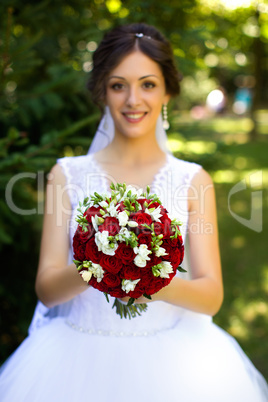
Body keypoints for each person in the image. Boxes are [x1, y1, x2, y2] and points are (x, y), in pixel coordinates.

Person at [0, 23, 267, 402]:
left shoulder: (193, 181)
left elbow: (211, 295)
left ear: (167, 91)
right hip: (75, 361)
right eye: (117, 85)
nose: (132, 100)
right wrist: (97, 263)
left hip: (175, 365)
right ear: (102, 92)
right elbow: (46, 289)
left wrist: (146, 279)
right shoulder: (67, 175)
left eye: (147, 84)